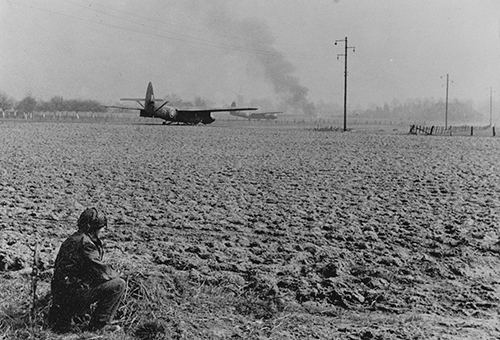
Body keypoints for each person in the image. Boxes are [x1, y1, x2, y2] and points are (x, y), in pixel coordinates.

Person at [49, 208, 126, 333]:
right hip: (72, 294)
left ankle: (77, 315)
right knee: (118, 284)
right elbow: (100, 270)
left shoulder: (72, 239)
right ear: (93, 227)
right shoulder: (86, 243)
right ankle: (100, 325)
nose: (102, 230)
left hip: (60, 293)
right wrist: (117, 274)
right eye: (101, 227)